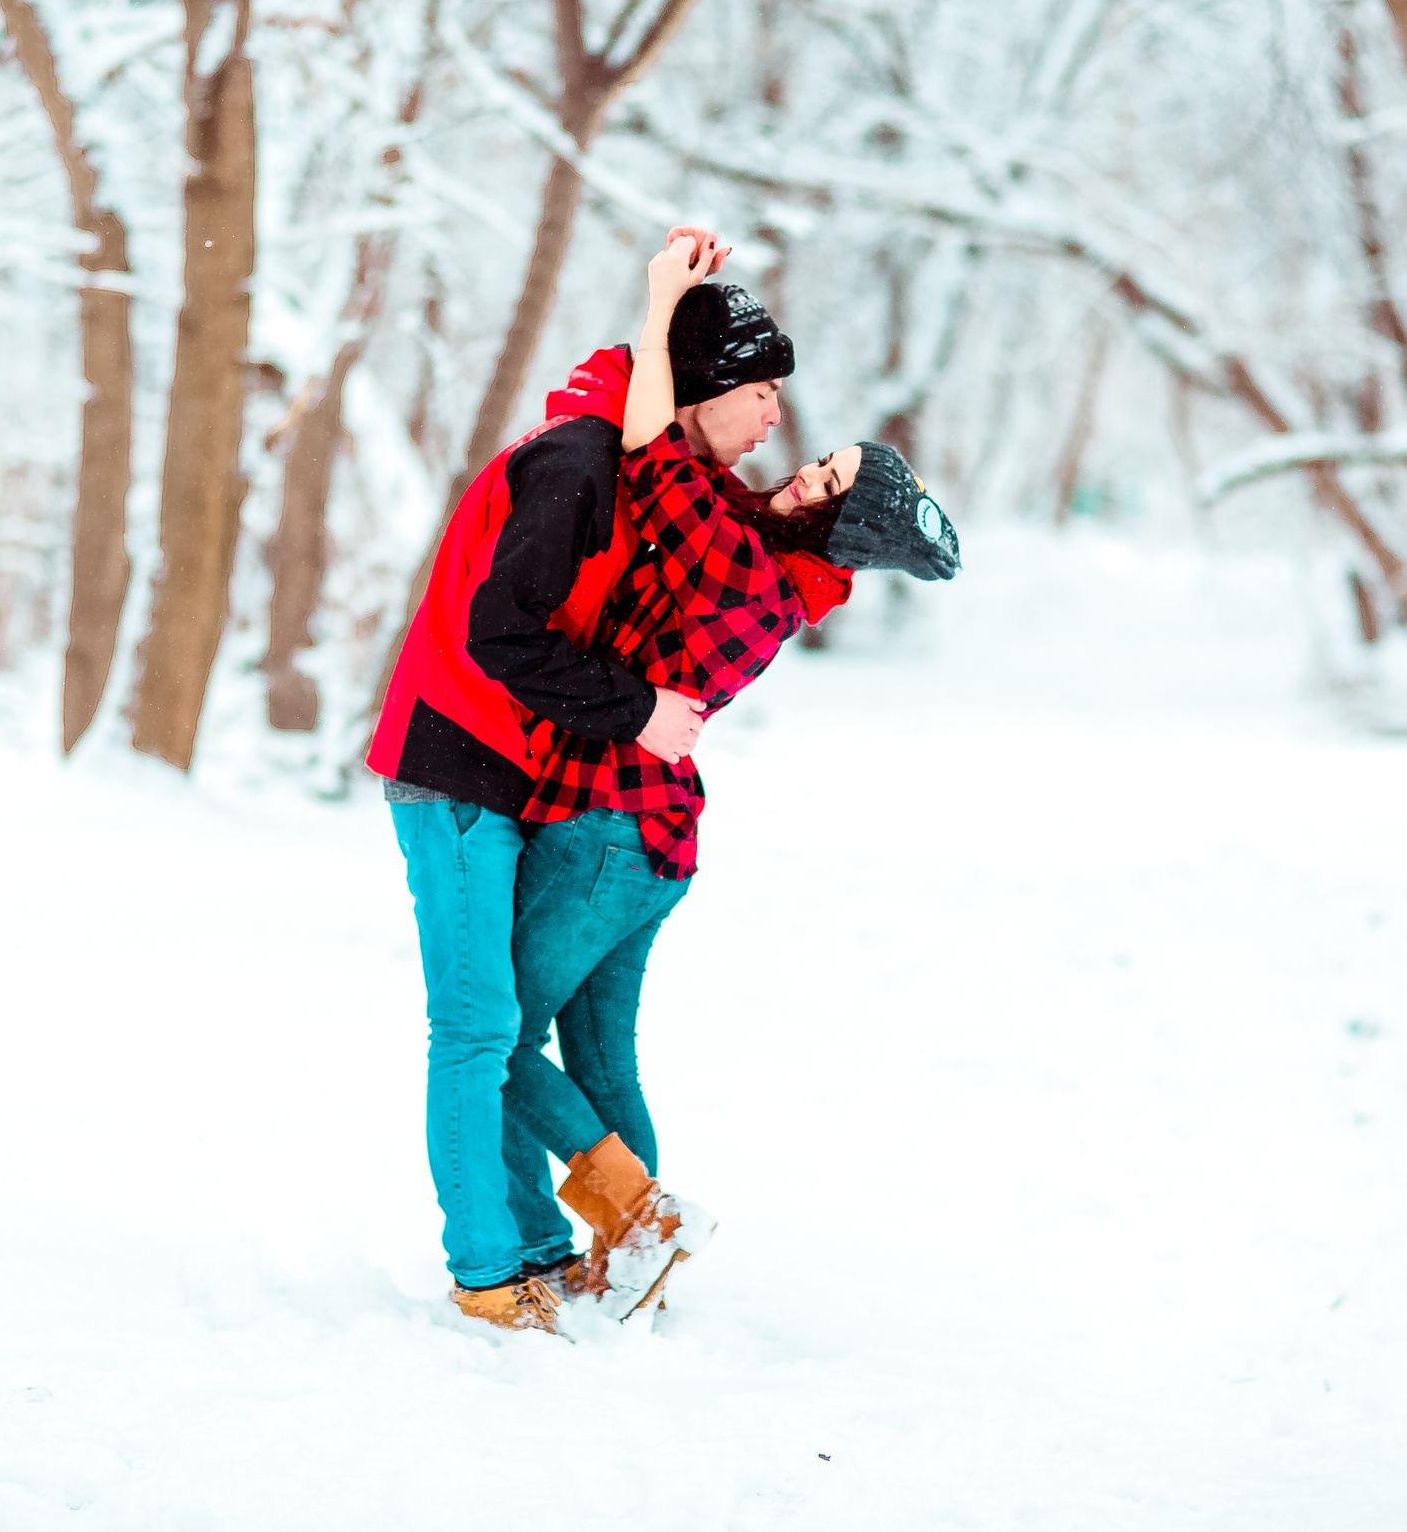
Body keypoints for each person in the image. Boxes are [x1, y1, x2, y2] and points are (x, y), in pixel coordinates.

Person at [499, 227, 962, 1324]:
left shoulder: (740, 562)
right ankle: (638, 1270)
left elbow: (651, 447)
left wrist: (662, 303)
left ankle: (639, 1218)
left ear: (841, 518)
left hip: (605, 829)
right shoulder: (779, 570)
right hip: (649, 843)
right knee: (603, 1059)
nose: (801, 461)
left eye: (829, 475)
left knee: (496, 1039)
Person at [363, 232, 796, 1334]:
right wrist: (641, 711)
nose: (775, 419)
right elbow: (495, 634)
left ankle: (552, 1245)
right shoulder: (574, 465)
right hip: (456, 762)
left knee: (504, 1022)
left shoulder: (640, 465)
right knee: (475, 1028)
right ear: (700, 393)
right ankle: (489, 1274)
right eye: (762, 392)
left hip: (523, 771)